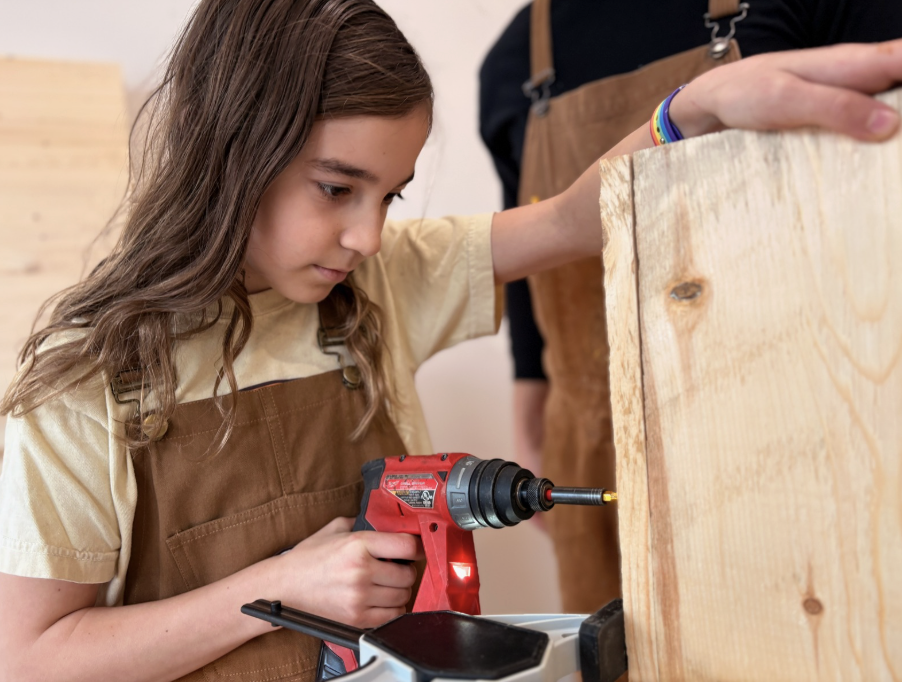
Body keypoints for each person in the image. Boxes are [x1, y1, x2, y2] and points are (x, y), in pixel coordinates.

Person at [0, 0, 900, 678]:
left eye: (389, 196)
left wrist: (689, 114)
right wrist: (276, 593)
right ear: (233, 151)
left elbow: (566, 221)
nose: (368, 236)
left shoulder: (370, 285)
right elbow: (32, 658)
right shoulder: (88, 382)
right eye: (336, 188)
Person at [479, 0, 902, 615]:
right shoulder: (512, 62)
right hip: (600, 450)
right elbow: (531, 242)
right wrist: (531, 415)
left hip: (812, 437)